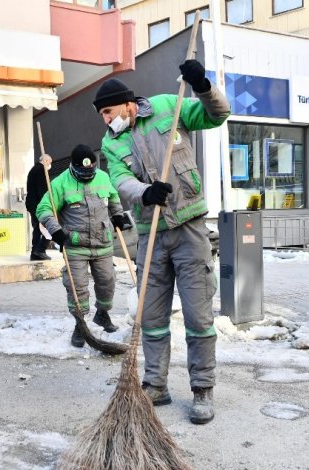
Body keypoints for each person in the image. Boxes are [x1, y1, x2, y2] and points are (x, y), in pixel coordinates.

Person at [93, 60, 231, 424]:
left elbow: (216, 115)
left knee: (198, 315)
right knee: (151, 317)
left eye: (108, 112)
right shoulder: (112, 142)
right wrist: (145, 192)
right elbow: (121, 181)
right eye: (102, 116)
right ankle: (156, 384)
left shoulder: (171, 105)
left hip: (189, 228)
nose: (106, 120)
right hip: (151, 233)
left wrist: (203, 85)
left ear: (126, 104)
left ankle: (202, 388)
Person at [36, 145, 131, 347]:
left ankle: (102, 315)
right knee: (77, 287)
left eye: (91, 172)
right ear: (74, 167)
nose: (88, 175)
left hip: (103, 243)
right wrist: (56, 231)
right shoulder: (60, 182)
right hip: (75, 245)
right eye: (83, 173)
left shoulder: (103, 177)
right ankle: (80, 324)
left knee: (107, 283)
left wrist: (118, 215)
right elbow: (43, 209)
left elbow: (113, 198)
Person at [25, 156, 51, 261]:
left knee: (37, 228)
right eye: (49, 162)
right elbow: (42, 189)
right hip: (39, 204)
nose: (50, 165)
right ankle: (40, 250)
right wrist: (46, 204)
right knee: (49, 226)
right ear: (45, 161)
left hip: (32, 203)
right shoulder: (40, 170)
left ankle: (35, 252)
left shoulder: (33, 169)